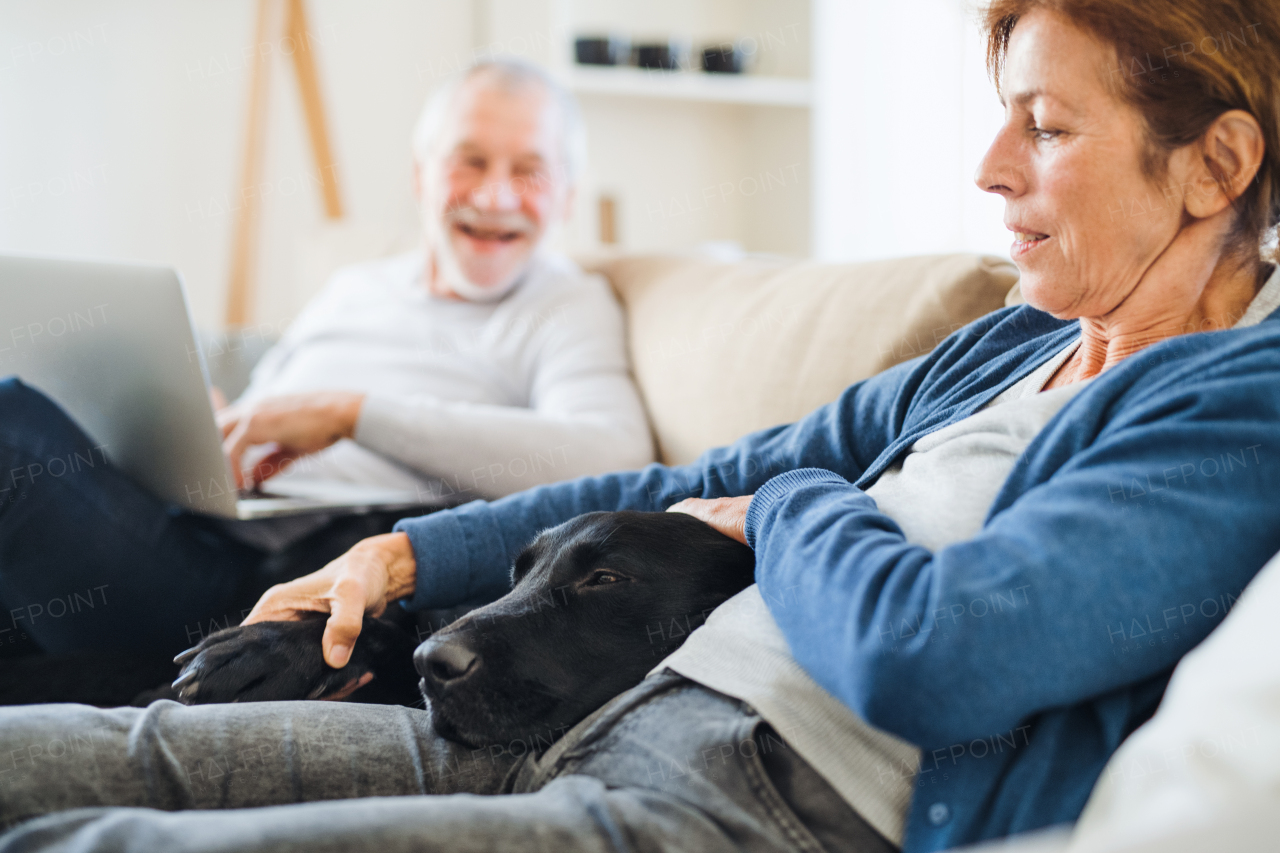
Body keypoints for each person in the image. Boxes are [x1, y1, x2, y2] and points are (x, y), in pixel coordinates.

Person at [2, 1, 1279, 851]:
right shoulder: (1016, 344)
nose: (989, 167)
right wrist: (401, 555)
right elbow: (714, 469)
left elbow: (937, 658)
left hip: (743, 801)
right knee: (76, 757)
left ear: (1216, 167)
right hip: (589, 719)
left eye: (1045, 127)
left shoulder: (1235, 398)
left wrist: (787, 512)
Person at [0, 60, 652, 660]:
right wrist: (210, 430)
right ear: (421, 175)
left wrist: (352, 414)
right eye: (469, 161)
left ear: (567, 195)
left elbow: (612, 458)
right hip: (204, 524)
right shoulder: (356, 287)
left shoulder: (567, 303)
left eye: (529, 171)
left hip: (287, 580)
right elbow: (262, 420)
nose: (494, 195)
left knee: (8, 422)